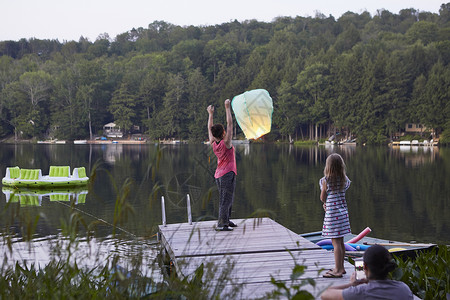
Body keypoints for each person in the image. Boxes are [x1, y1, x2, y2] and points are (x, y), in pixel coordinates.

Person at [321, 245, 414, 300]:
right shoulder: (403, 289)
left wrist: (352, 284)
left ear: (365, 267)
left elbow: (325, 294)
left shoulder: (361, 291)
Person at [207, 99, 237, 231]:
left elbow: (210, 128)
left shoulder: (213, 142)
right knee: (225, 199)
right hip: (227, 174)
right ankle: (222, 224)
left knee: (227, 197)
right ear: (223, 132)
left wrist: (210, 114)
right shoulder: (226, 143)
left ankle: (226, 219)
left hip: (219, 174)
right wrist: (227, 107)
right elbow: (230, 123)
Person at [320, 153, 351, 278]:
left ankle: (337, 270)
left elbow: (323, 197)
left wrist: (324, 199)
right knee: (341, 242)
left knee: (335, 243)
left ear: (328, 166)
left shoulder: (325, 180)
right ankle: (341, 267)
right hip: (342, 213)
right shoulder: (344, 179)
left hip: (333, 216)